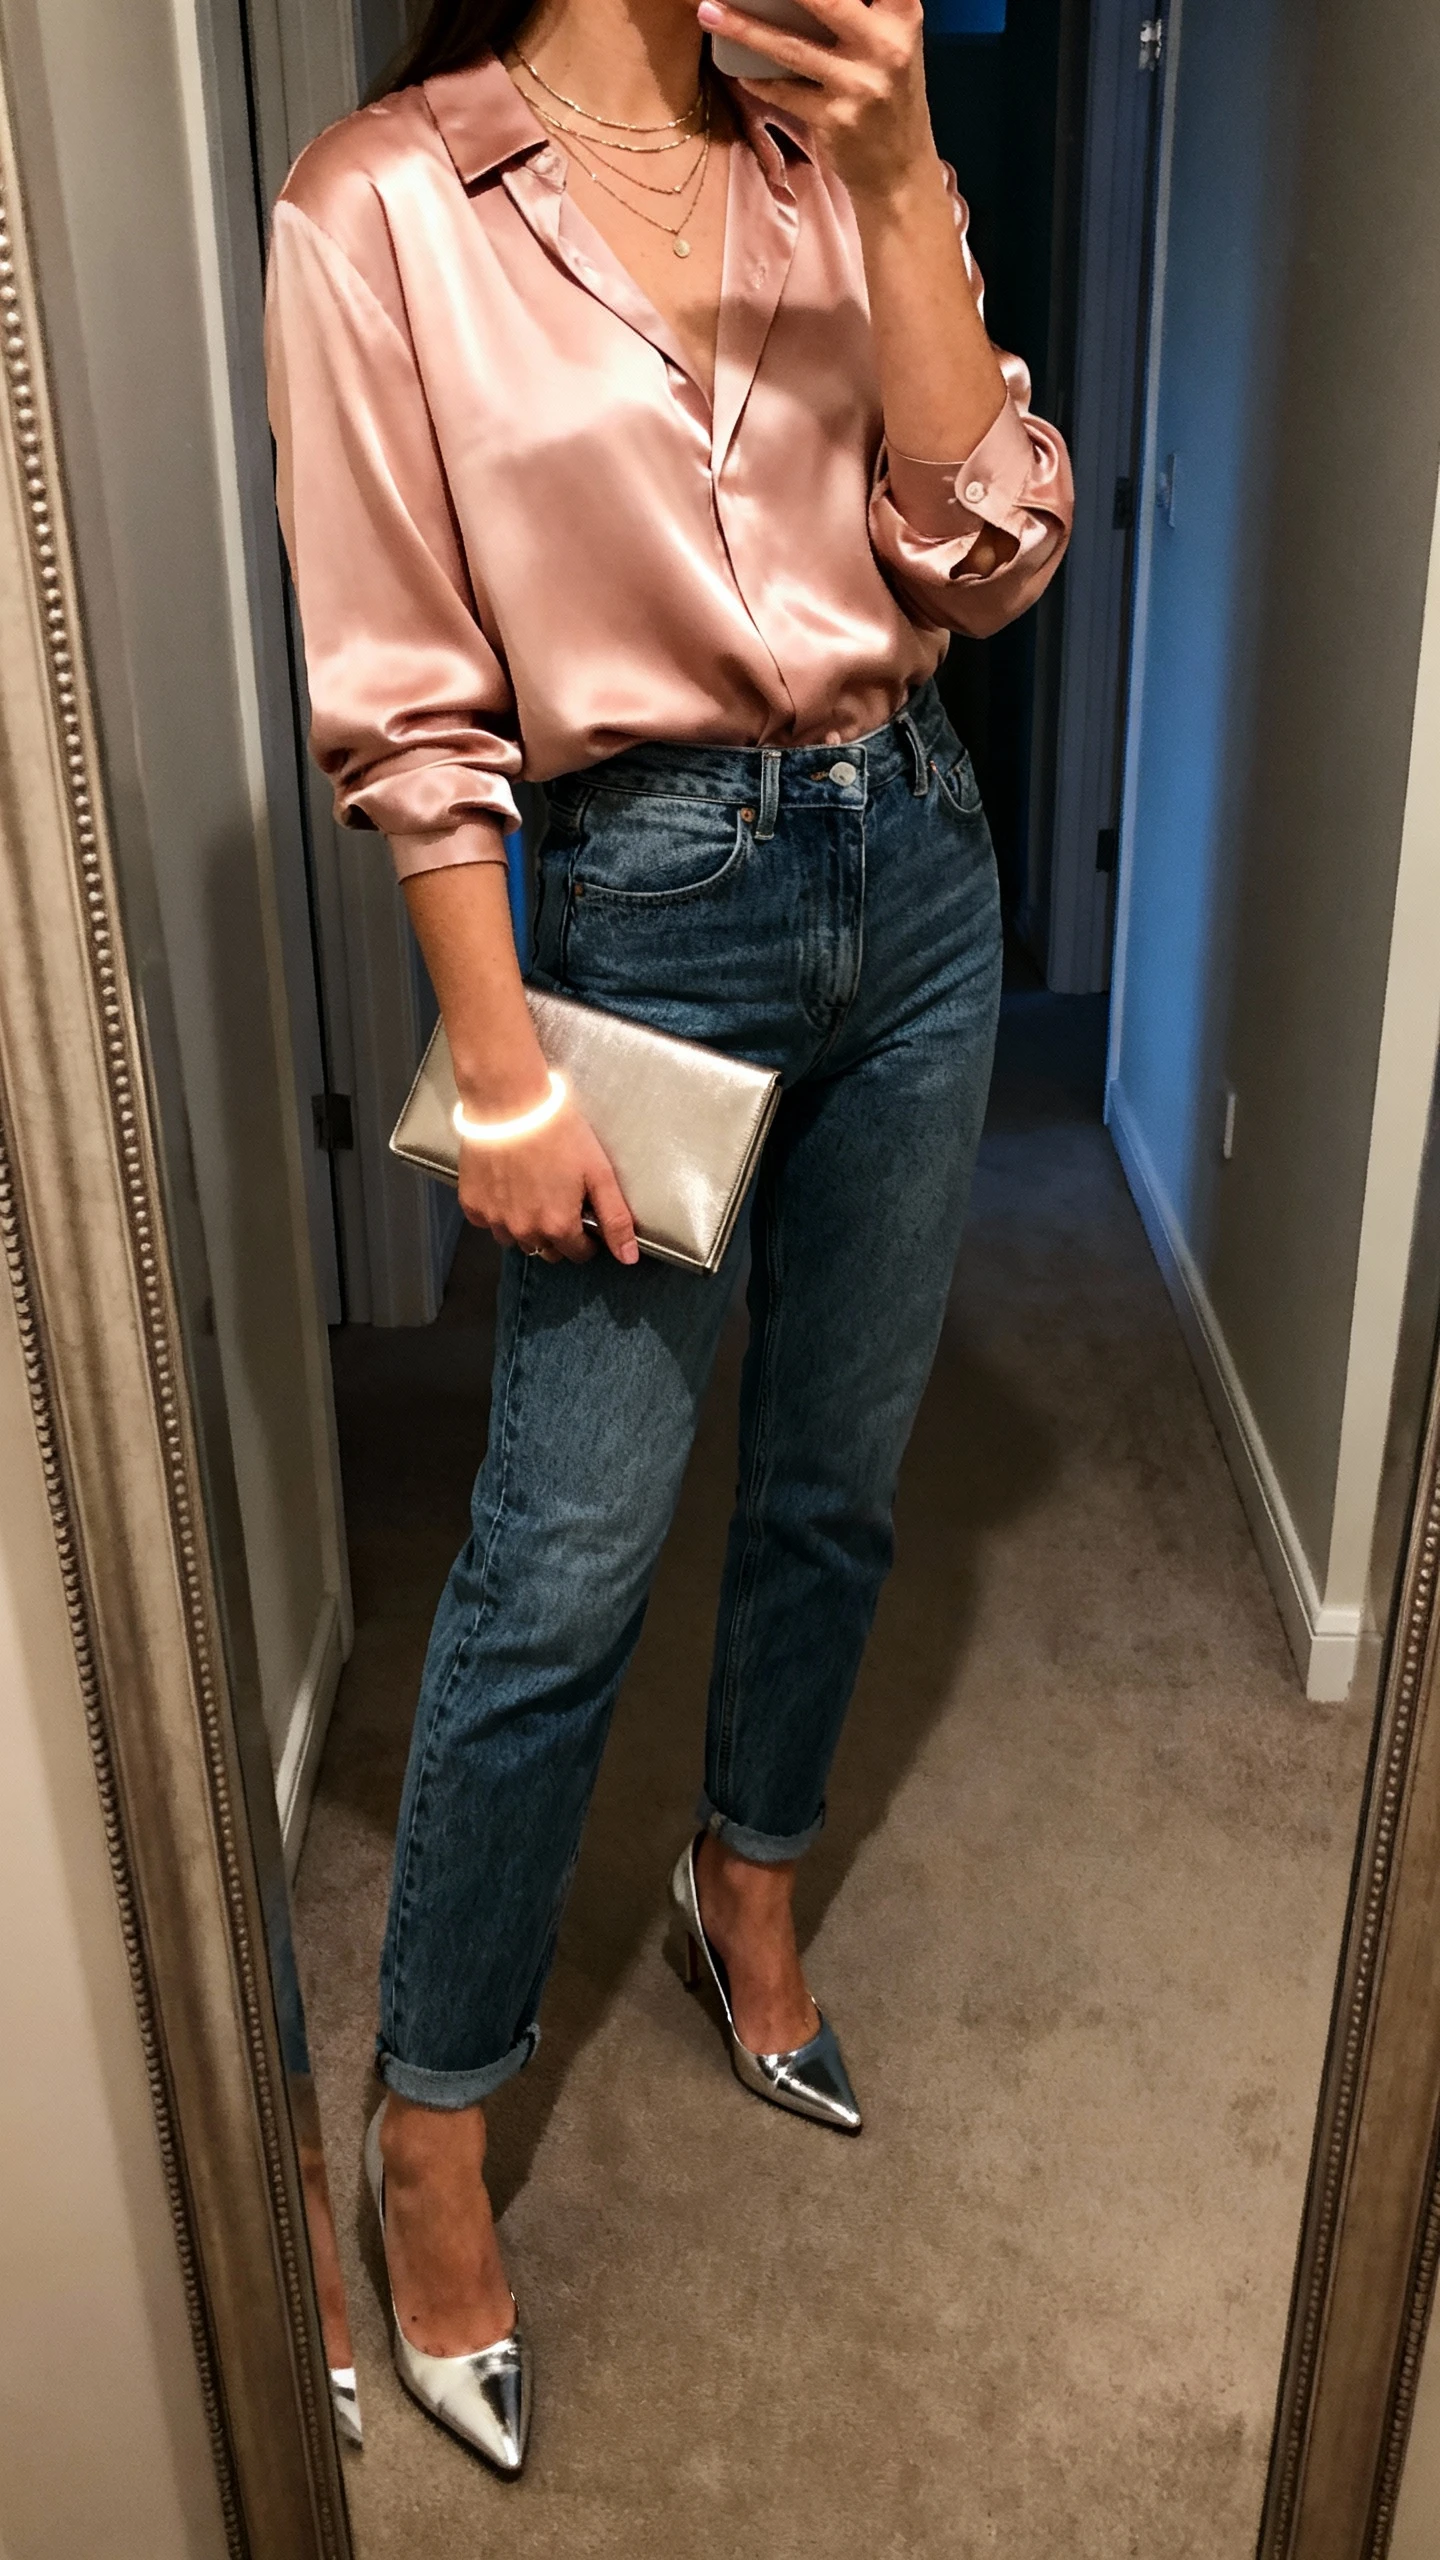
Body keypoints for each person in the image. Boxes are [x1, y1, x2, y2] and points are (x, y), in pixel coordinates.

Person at [266, 0, 1072, 2476]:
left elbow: (989, 539)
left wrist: (915, 163)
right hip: (642, 911)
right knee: (560, 1557)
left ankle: (752, 1882)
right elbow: (407, 690)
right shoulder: (380, 204)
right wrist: (497, 1061)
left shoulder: (841, 161)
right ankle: (425, 2131)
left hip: (916, 859)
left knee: (839, 1467)